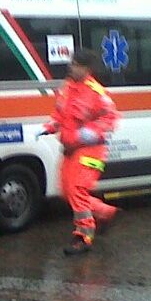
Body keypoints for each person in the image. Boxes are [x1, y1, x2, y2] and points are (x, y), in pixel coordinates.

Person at [38, 49, 121, 255]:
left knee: (76, 190)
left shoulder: (96, 92)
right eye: (72, 63)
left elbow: (111, 118)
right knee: (66, 191)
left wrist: (88, 133)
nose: (71, 67)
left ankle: (84, 235)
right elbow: (60, 113)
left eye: (75, 64)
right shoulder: (68, 87)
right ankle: (104, 212)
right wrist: (50, 126)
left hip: (90, 150)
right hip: (70, 149)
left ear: (86, 69)